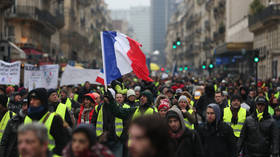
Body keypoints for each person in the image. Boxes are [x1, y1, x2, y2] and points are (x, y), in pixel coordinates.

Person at [24, 88, 69, 156]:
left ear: (42, 101)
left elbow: (63, 147)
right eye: (30, 99)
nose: (31, 102)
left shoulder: (55, 119)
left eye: (35, 99)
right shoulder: (27, 118)